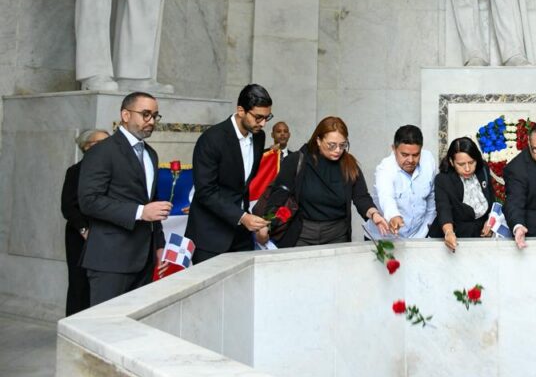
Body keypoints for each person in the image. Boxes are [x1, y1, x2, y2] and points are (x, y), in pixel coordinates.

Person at [78, 93, 171, 305]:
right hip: (110, 259)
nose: (151, 121)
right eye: (145, 114)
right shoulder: (102, 151)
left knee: (134, 327)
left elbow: (151, 201)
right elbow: (89, 201)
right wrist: (139, 212)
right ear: (125, 115)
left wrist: (159, 245)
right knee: (105, 327)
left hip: (145, 258)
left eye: (155, 116)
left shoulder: (151, 153)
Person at [185, 84, 272, 263]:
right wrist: (242, 217)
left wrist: (250, 219)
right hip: (210, 235)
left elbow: (242, 186)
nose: (263, 123)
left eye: (267, 117)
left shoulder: (258, 137)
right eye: (258, 117)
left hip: (241, 234)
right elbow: (205, 191)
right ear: (241, 110)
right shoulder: (212, 139)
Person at [271, 116, 390, 246]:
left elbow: (361, 197)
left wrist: (374, 215)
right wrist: (267, 226)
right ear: (318, 140)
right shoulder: (296, 161)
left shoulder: (349, 165)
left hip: (337, 234)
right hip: (302, 233)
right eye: (332, 145)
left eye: (343, 145)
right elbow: (279, 195)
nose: (338, 150)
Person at [61, 129, 110, 315]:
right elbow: (68, 207)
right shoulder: (75, 172)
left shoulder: (111, 170)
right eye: (102, 142)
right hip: (81, 236)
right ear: (87, 147)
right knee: (79, 283)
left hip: (106, 235)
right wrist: (84, 230)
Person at [372, 125, 437, 239]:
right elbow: (386, 197)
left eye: (416, 155)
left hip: (419, 235)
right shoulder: (385, 168)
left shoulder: (428, 160)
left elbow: (431, 199)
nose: (411, 160)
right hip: (385, 237)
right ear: (394, 148)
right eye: (405, 155)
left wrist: (423, 233)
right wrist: (394, 215)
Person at [433, 137, 494, 252]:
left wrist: (490, 221)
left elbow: (491, 198)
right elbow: (443, 208)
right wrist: (449, 232)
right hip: (456, 238)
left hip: (480, 238)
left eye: (471, 162)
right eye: (461, 164)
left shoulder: (483, 169)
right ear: (451, 162)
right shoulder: (443, 180)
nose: (467, 168)